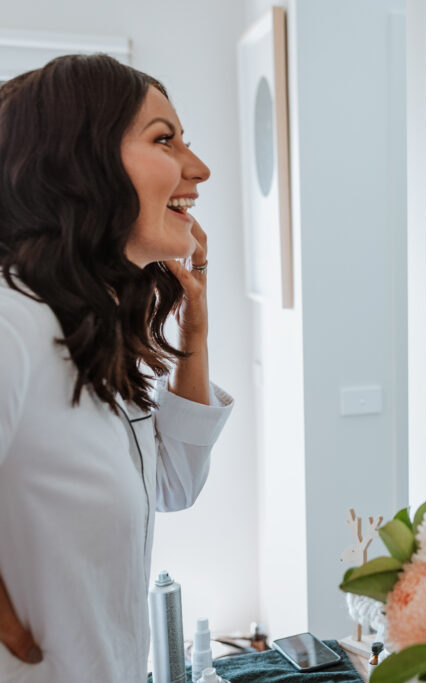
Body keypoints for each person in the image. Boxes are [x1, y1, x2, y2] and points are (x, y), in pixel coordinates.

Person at [0, 54, 233, 681]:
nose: (199, 168)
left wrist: (196, 329)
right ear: (78, 165)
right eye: (165, 139)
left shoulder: (89, 332)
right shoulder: (12, 321)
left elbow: (174, 485)